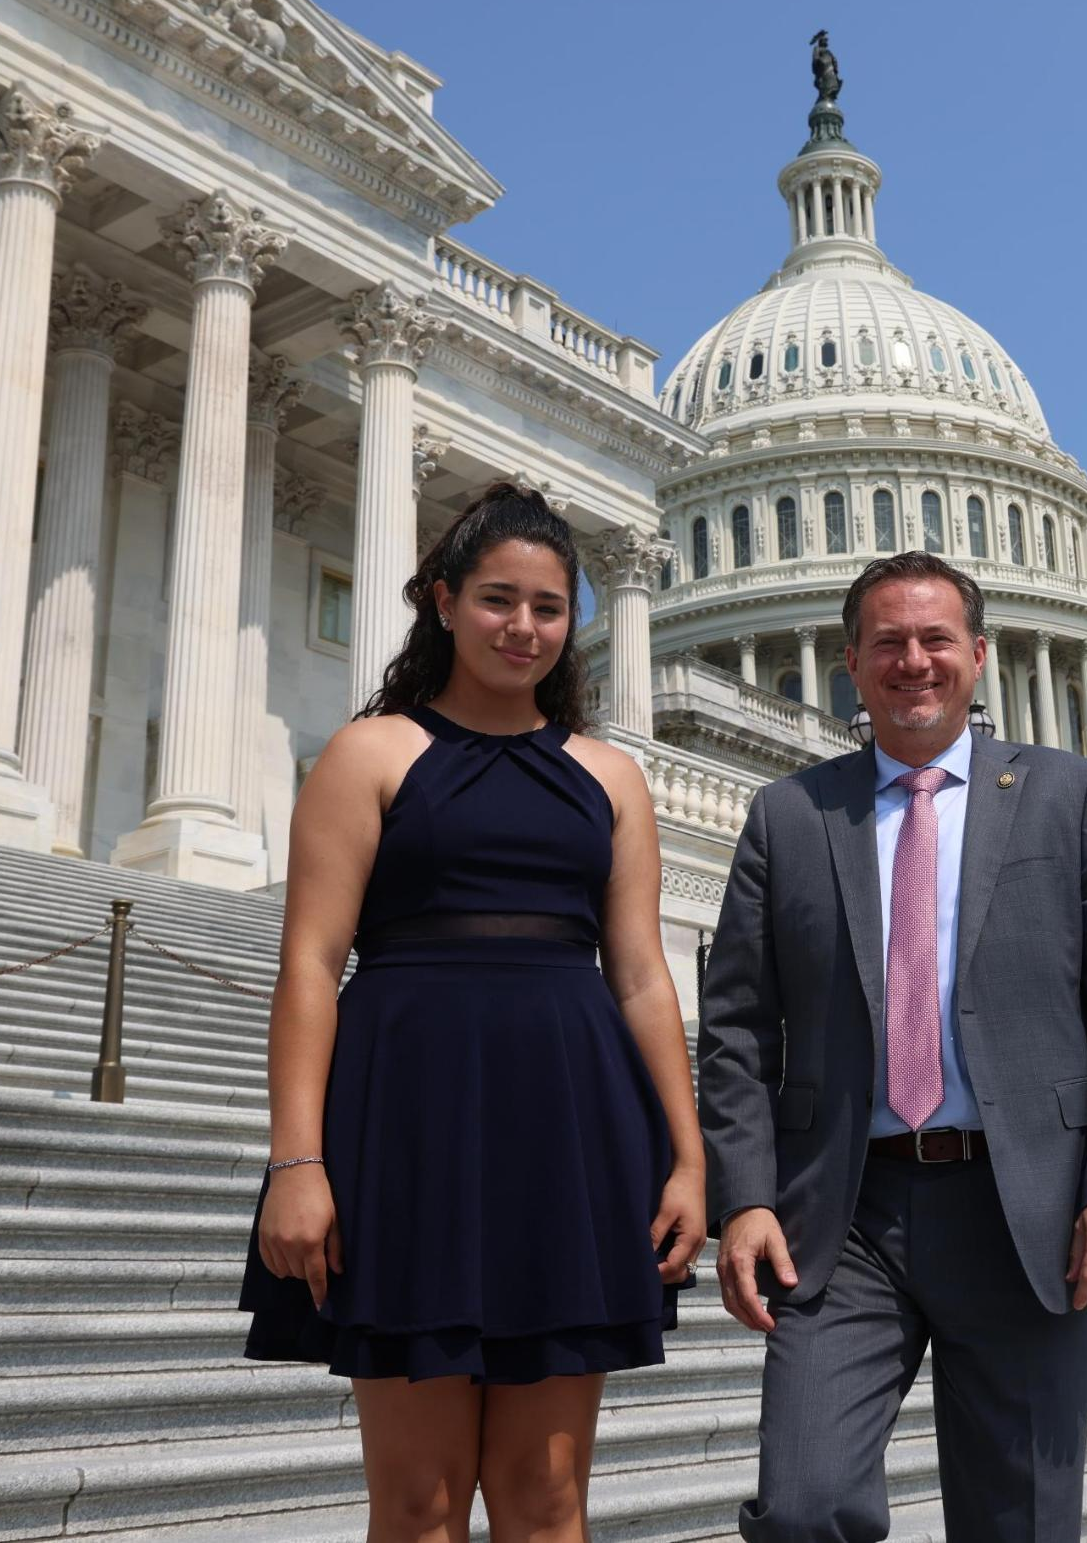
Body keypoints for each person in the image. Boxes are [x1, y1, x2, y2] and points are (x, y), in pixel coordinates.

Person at [241, 482, 705, 1543]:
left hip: (571, 1130)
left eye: (547, 608)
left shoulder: (611, 778)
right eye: (499, 600)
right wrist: (295, 1163)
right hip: (405, 1125)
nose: (524, 627)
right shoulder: (370, 753)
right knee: (418, 1504)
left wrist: (687, 1158)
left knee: (548, 1503)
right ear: (442, 601)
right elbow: (309, 964)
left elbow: (639, 976)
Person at [699, 552, 1087, 1542]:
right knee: (802, 1505)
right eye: (887, 643)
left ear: (978, 656)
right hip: (845, 1213)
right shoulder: (789, 816)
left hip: (1022, 1211)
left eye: (933, 640)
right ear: (851, 663)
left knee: (1021, 1522)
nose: (912, 661)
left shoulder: (1067, 796)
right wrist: (742, 1197)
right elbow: (736, 1028)